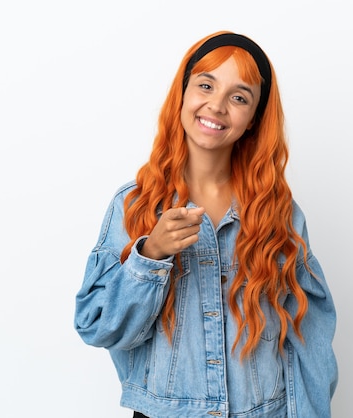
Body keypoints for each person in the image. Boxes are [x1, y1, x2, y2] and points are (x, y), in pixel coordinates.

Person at [74, 31, 338, 418]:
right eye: (205, 85)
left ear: (253, 120)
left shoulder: (277, 213)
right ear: (183, 94)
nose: (216, 105)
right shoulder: (134, 205)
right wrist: (151, 256)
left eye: (239, 97)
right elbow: (97, 326)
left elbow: (308, 339)